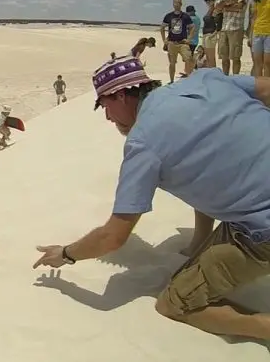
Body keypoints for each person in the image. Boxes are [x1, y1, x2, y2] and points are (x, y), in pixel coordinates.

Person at [33, 57, 270, 341]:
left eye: (104, 105)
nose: (107, 117)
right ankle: (202, 244)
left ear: (121, 95)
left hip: (262, 231)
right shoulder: (204, 81)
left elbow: (113, 236)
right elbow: (266, 89)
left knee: (174, 304)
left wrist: (66, 254)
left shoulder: (143, 144)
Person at [216, 0, 251, 75]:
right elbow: (217, 8)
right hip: (224, 27)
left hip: (236, 27)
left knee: (235, 58)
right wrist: (226, 2)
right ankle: (226, 81)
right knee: (224, 58)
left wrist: (224, 6)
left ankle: (235, 81)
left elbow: (240, 7)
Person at [160, 0, 196, 81]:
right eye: (175, 3)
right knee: (172, 63)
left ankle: (189, 79)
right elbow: (162, 28)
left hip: (183, 43)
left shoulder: (185, 16)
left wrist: (189, 39)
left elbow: (192, 27)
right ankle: (171, 81)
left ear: (181, 4)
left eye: (178, 3)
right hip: (172, 43)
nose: (176, 4)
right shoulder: (168, 16)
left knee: (189, 59)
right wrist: (164, 40)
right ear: (173, 4)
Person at [248, 0, 270, 77]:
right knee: (257, 64)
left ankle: (267, 88)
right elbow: (254, 18)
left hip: (269, 33)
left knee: (267, 63)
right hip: (257, 32)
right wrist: (250, 36)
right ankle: (258, 88)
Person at [200, 0, 221, 68]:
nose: (208, 1)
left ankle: (213, 75)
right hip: (205, 35)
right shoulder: (209, 10)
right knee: (207, 58)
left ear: (214, 0)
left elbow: (219, 25)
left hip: (210, 35)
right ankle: (210, 74)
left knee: (211, 58)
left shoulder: (216, 10)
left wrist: (213, 35)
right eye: (206, 0)